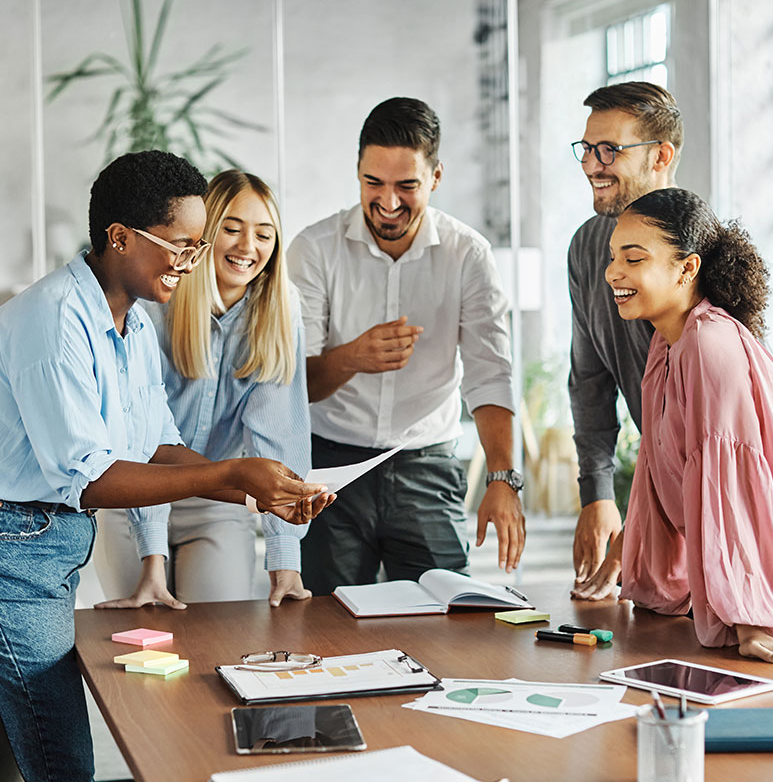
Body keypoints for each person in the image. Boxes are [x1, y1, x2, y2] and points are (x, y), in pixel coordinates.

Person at [0, 150, 332, 781]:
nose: (193, 261)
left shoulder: (130, 326)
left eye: (198, 245)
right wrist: (233, 476)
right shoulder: (53, 319)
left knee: (32, 739)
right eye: (180, 244)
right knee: (58, 751)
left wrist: (262, 492)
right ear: (120, 238)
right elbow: (93, 476)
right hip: (15, 546)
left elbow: (155, 443)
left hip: (51, 540)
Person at [288, 97, 526, 595]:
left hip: (426, 465)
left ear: (436, 178)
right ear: (357, 172)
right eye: (373, 183)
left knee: (444, 621)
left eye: (407, 186)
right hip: (331, 466)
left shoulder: (469, 255)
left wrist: (503, 478)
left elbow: (490, 373)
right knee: (326, 627)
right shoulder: (314, 249)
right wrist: (353, 356)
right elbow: (295, 385)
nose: (389, 202)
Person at [94, 169, 313, 609]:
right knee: (144, 640)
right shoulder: (155, 305)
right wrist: (151, 557)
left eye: (264, 234)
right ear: (202, 235)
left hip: (217, 502)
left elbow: (279, 440)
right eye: (231, 229)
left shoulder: (280, 314)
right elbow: (144, 443)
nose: (248, 247)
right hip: (131, 500)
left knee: (219, 633)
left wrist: (285, 557)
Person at [607, 187, 773, 664]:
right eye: (614, 258)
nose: (614, 273)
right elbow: (659, 473)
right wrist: (649, 579)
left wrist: (751, 618)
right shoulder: (666, 344)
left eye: (633, 259)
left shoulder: (709, 343)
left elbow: (734, 487)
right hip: (750, 573)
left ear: (687, 268)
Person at [567, 82, 683, 598]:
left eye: (610, 150)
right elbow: (588, 381)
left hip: (724, 500)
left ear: (660, 156)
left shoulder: (703, 253)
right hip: (662, 492)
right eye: (588, 149)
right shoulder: (587, 246)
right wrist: (597, 493)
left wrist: (634, 529)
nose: (593, 164)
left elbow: (704, 432)